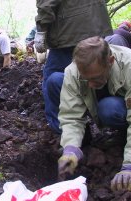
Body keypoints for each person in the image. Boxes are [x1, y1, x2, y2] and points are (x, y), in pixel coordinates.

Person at [57, 36, 131, 191]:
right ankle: (123, 135)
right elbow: (71, 115)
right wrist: (71, 149)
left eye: (95, 78)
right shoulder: (74, 71)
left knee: (108, 108)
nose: (89, 84)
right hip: (113, 106)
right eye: (85, 79)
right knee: (55, 81)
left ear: (110, 61)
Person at [35, 0, 113, 134]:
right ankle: (104, 120)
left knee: (52, 81)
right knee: (95, 73)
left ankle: (66, 133)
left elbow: (46, 3)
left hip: (69, 31)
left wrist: (41, 29)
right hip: (96, 24)